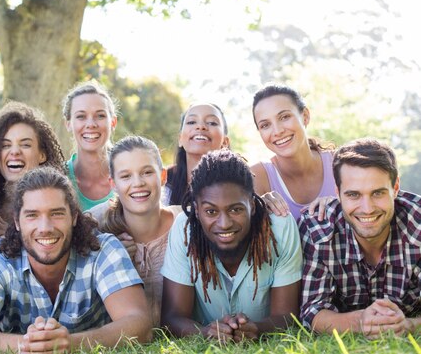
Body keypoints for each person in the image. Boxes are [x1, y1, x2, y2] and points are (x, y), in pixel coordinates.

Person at [0, 167, 151, 352]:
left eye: (56, 214)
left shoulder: (103, 249)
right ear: (17, 222)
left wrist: (70, 344)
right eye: (32, 215)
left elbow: (139, 324)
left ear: (74, 217)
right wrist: (27, 346)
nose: (45, 227)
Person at [161, 150, 302, 342]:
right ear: (196, 209)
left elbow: (288, 316)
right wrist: (205, 332)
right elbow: (172, 318)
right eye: (211, 211)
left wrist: (257, 329)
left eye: (236, 209)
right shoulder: (184, 229)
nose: (224, 223)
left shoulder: (279, 227)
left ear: (252, 205)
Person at [299, 138, 421, 337]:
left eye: (378, 193)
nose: (367, 209)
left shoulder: (418, 224)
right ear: (338, 193)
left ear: (396, 187)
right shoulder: (317, 229)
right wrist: (360, 321)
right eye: (354, 195)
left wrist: (408, 325)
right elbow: (312, 313)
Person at [95, 135, 178, 326]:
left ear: (163, 176)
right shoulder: (94, 223)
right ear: (113, 184)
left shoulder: (184, 223)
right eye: (125, 176)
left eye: (147, 172)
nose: (138, 183)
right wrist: (110, 255)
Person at [0, 101, 65, 238]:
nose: (15, 152)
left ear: (42, 155)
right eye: (5, 145)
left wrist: (13, 238)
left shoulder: (59, 199)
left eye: (25, 145)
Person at [251, 85, 336, 220]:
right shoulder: (256, 178)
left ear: (305, 116)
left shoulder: (340, 164)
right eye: (265, 125)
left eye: (284, 117)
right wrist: (259, 206)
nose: (277, 131)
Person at [62, 81, 118, 212]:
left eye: (100, 116)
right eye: (81, 116)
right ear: (68, 124)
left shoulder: (129, 175)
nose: (91, 124)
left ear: (113, 122)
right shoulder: (58, 178)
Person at [162, 102, 230, 206]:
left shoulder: (237, 185)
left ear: (225, 143)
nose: (201, 126)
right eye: (192, 122)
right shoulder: (164, 181)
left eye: (212, 123)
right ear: (180, 139)